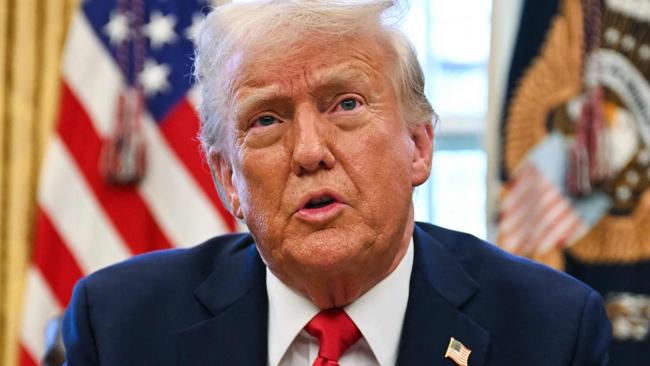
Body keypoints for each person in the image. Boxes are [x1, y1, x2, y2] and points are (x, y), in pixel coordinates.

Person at [62, 1, 612, 365]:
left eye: (346, 104)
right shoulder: (120, 328)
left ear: (418, 146)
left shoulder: (551, 332)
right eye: (266, 119)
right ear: (228, 178)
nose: (308, 152)